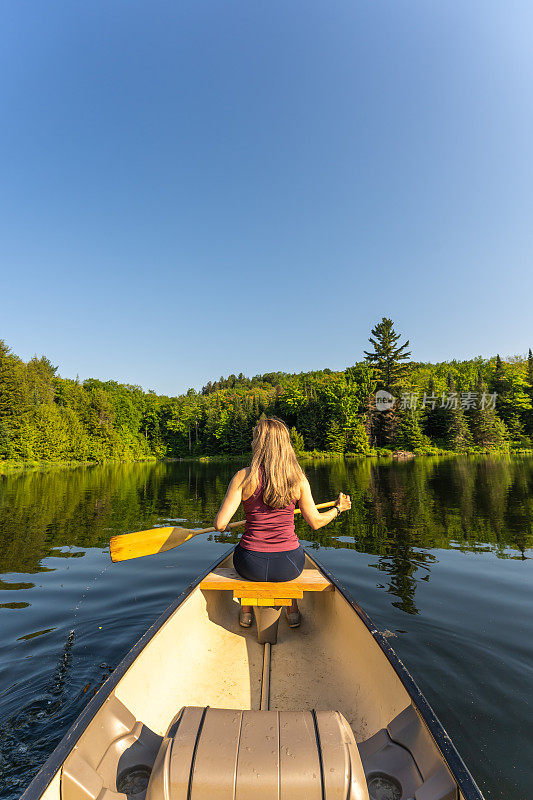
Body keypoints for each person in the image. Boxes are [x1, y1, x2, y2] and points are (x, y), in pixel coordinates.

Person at [213, 417, 351, 628]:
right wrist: (338, 508)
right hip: (289, 565)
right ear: (285, 444)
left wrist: (228, 525)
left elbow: (220, 524)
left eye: (254, 439)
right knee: (294, 552)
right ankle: (293, 611)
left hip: (250, 564)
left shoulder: (243, 476)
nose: (251, 443)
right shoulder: (297, 478)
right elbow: (316, 522)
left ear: (259, 444)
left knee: (239, 551)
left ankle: (246, 612)